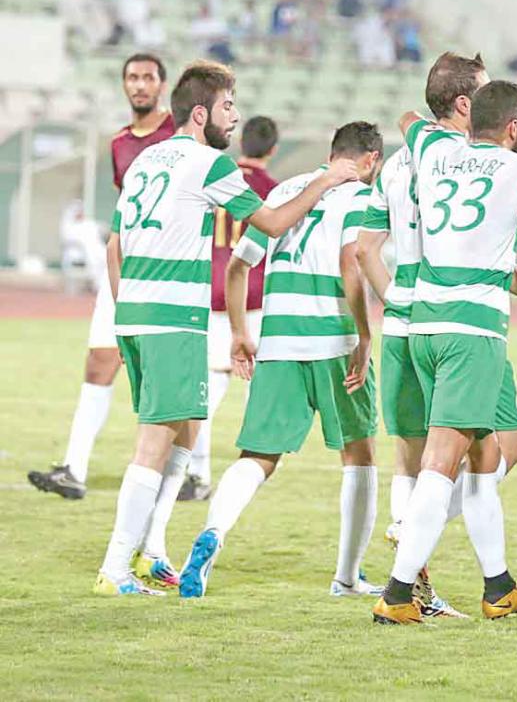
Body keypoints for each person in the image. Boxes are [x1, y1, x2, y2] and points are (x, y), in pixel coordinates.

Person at [92, 60, 358, 597]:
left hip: (138, 313)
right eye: (227, 106)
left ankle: (151, 550)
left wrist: (125, 311)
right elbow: (274, 223)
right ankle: (115, 569)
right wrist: (326, 179)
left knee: (186, 431)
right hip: (172, 318)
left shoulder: (144, 159)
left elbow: (113, 246)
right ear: (200, 114)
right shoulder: (208, 163)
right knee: (154, 443)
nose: (234, 117)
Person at [357, 53, 517, 617]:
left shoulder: (432, 152)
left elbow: (409, 121)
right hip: (473, 330)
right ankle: (397, 593)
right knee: (441, 462)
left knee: (487, 456)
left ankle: (498, 586)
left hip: (421, 323)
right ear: (514, 127)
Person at [178, 122, 382, 599]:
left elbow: (238, 266)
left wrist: (239, 334)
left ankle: (212, 533)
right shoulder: (360, 197)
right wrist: (364, 335)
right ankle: (347, 577)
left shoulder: (287, 190)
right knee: (359, 454)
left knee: (257, 457)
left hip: (277, 342)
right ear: (371, 159)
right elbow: (351, 263)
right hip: (333, 341)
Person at [29, 54, 174, 503]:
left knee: (167, 376)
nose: (139, 85)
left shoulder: (180, 135)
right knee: (99, 362)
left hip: (168, 274)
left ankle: (191, 471)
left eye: (148, 77)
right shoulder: (120, 143)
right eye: (132, 77)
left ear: (162, 85)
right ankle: (73, 469)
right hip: (124, 269)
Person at [181, 116, 280, 501]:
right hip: (254, 296)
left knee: (208, 391)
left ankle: (197, 473)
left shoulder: (217, 179)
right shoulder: (273, 190)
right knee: (262, 390)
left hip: (212, 290)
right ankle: (255, 467)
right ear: (273, 149)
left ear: (240, 143)